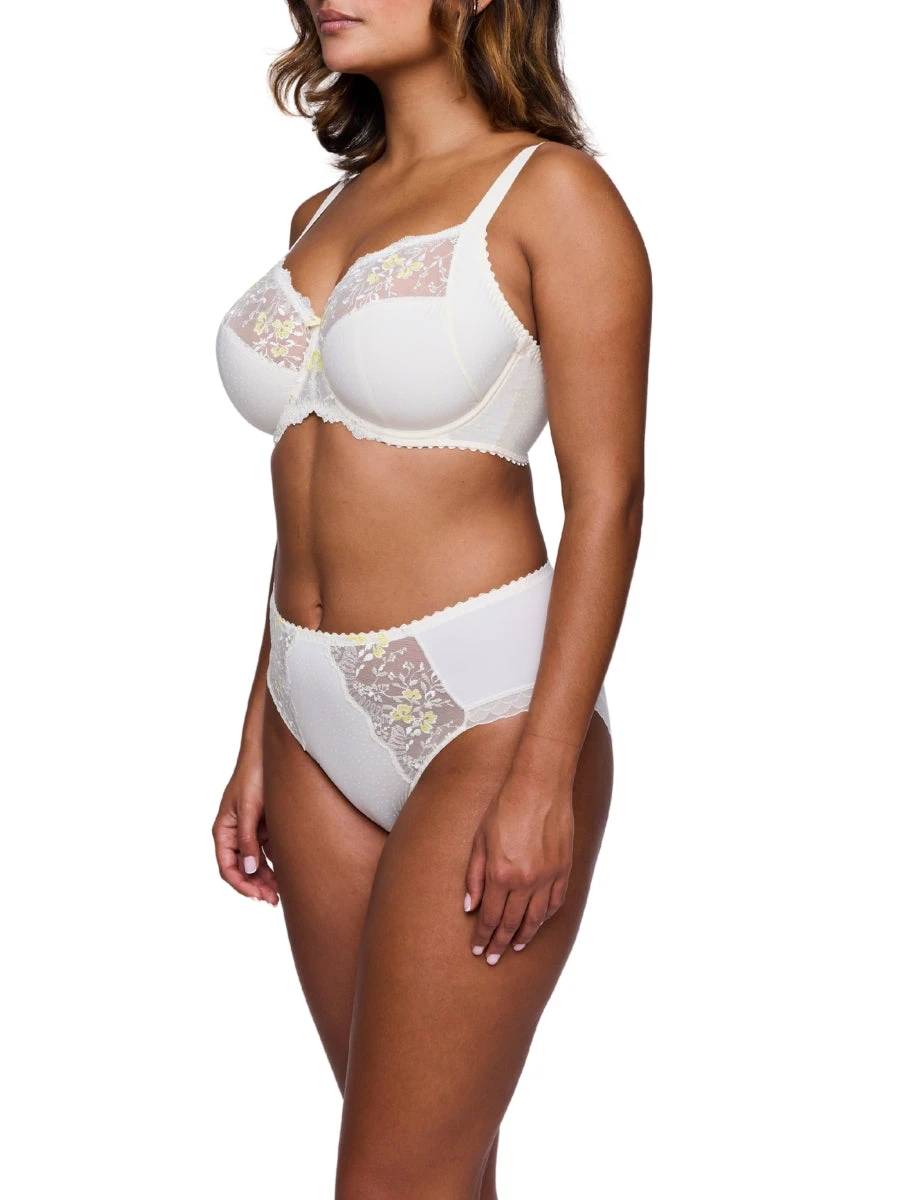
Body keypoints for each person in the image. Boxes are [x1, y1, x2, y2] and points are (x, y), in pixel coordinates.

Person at [211, 1, 651, 1194]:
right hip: (308, 714)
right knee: (434, 1168)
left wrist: (546, 776)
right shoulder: (319, 216)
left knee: (391, 1181)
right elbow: (305, 489)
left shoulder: (552, 196)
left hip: (486, 715)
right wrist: (257, 732)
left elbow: (607, 501)